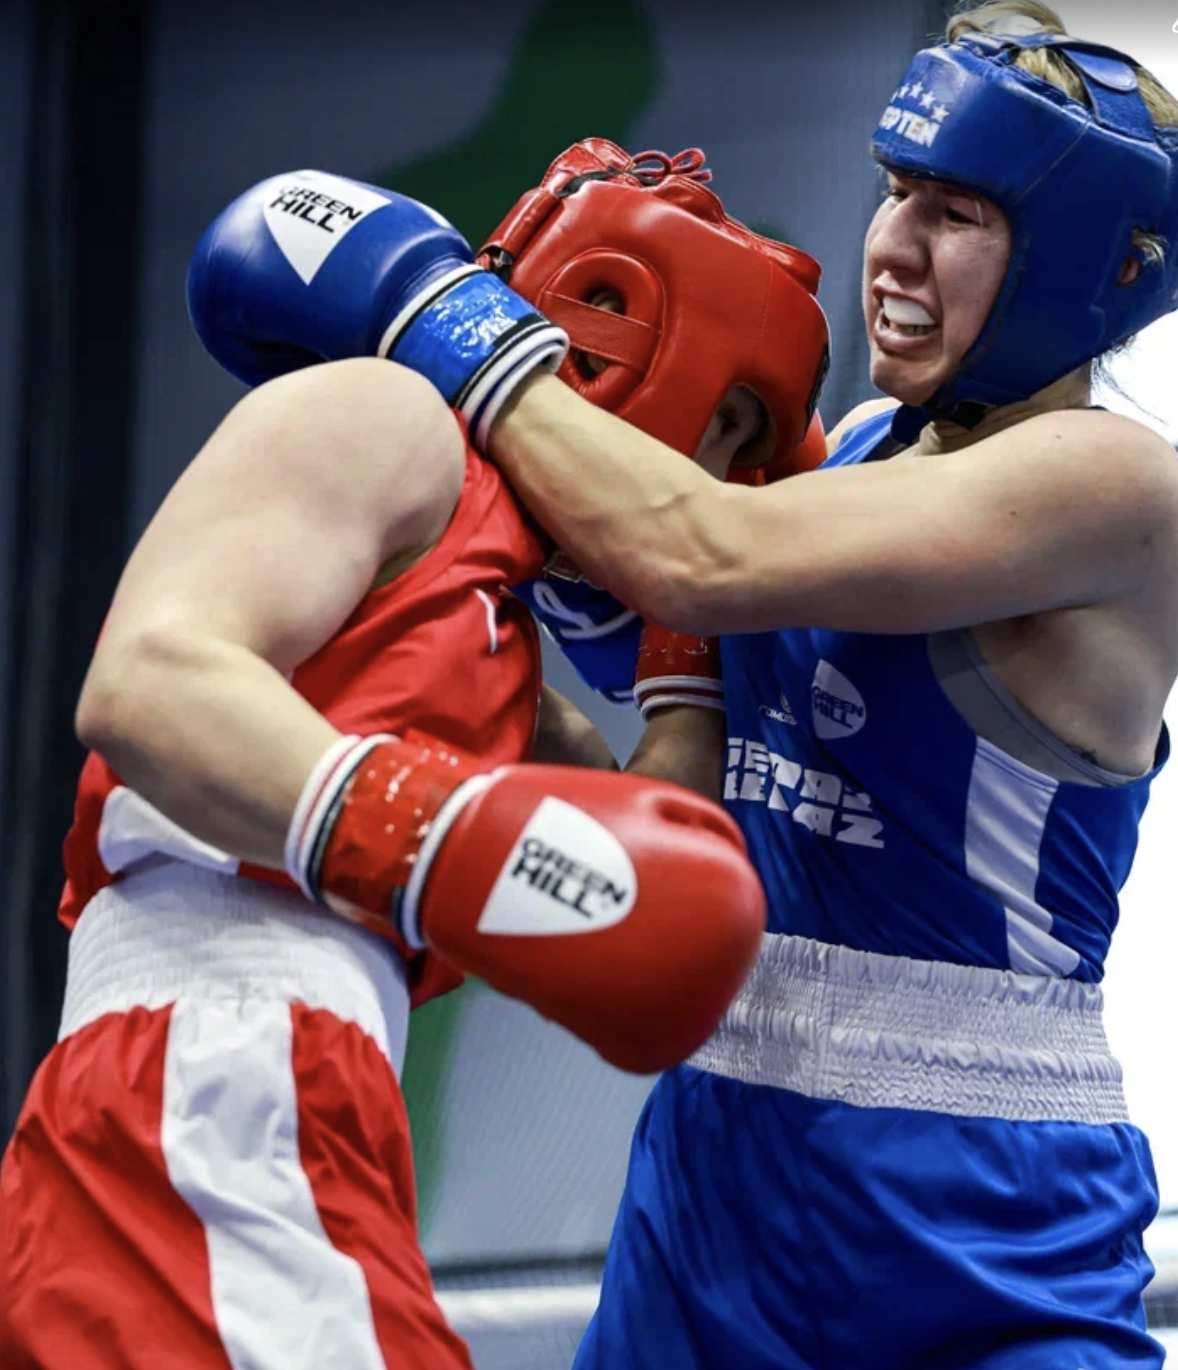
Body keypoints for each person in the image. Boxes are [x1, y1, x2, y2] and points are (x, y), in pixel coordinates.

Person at [211, 5, 1178, 1367]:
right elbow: (683, 844)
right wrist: (493, 644)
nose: (894, 246)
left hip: (974, 1230)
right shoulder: (851, 454)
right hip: (707, 1189)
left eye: (956, 212)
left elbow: (695, 551)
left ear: (1081, 257)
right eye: (895, 190)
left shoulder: (1119, 486)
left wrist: (438, 313)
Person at [0, 141, 833, 1369]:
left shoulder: (483, 630)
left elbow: (634, 886)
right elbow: (150, 679)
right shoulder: (387, 417)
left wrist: (687, 670)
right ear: (633, 352)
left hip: (285, 1100)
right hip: (212, 1081)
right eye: (732, 429)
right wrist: (427, 831)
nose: (716, 481)